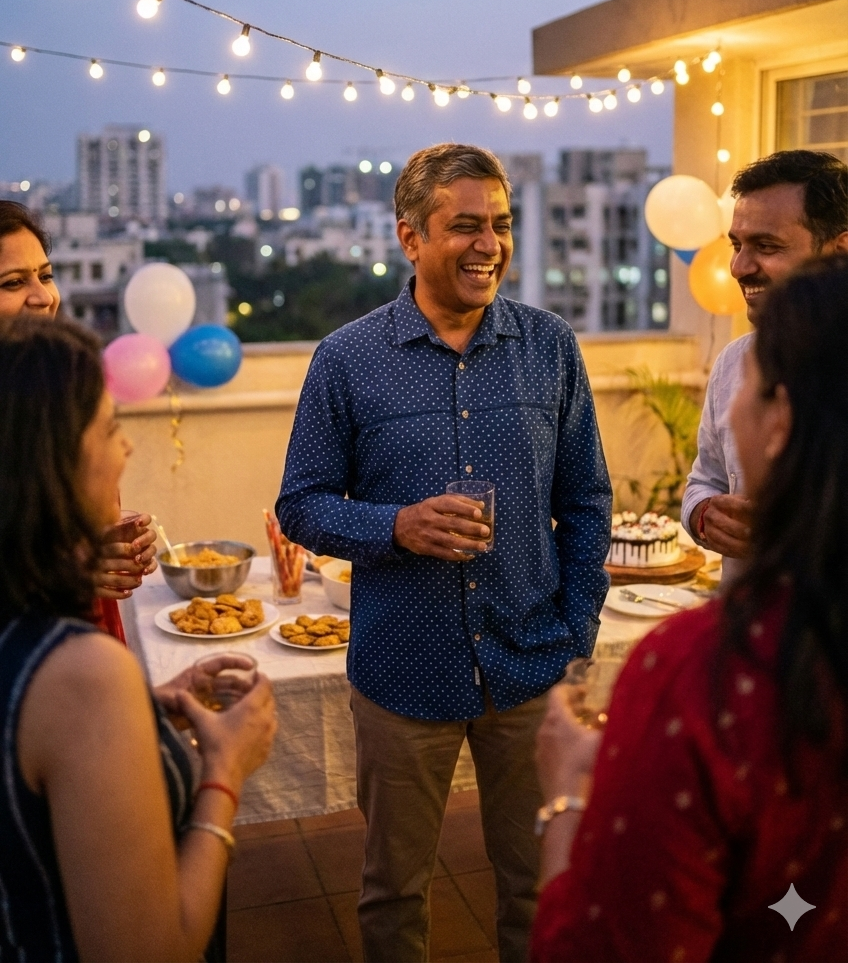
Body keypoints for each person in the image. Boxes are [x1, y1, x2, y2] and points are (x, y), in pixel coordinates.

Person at [277, 143, 611, 963]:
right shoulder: (346, 360)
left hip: (530, 667)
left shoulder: (551, 346)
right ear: (410, 237)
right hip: (402, 673)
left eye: (499, 224)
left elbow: (588, 499)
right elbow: (302, 504)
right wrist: (395, 527)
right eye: (464, 226)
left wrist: (575, 633)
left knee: (538, 882)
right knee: (395, 892)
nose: (489, 244)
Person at [530, 254, 848, 962]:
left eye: (752, 386)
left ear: (780, 421)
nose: (731, 399)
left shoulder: (701, 677)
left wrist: (567, 800)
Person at [0, 315, 277, 962]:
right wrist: (224, 772)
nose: (127, 450)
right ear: (53, 463)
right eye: (110, 429)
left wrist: (142, 710)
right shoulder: (81, 671)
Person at [681, 151, 847, 580]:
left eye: (767, 246)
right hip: (747, 634)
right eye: (737, 245)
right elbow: (706, 478)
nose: (738, 267)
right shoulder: (735, 362)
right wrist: (703, 514)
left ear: (840, 252)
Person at [0, 199, 158, 639]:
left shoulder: (56, 394)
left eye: (46, 275)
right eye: (13, 282)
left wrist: (115, 537)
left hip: (88, 641)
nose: (44, 297)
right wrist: (71, 571)